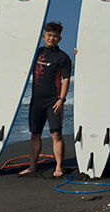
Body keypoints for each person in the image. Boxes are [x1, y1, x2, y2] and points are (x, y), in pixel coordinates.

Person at [19, 22, 72, 177]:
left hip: (53, 101)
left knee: (56, 134)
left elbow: (66, 79)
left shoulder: (63, 57)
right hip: (36, 102)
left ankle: (59, 167)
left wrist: (61, 99)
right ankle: (32, 166)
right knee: (35, 135)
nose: (51, 38)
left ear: (60, 39)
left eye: (55, 36)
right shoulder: (36, 53)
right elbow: (15, 58)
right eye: (49, 35)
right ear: (43, 36)